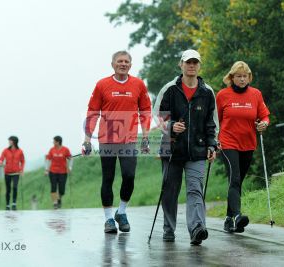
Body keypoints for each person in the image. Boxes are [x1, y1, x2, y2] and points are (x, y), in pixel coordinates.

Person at [153, 49, 218, 245]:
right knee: (170, 191)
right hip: (172, 149)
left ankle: (197, 228)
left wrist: (212, 145)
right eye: (188, 62)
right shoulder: (169, 89)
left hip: (197, 151)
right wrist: (172, 126)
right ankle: (168, 229)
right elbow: (159, 118)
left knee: (195, 190)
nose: (191, 66)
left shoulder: (207, 92)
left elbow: (211, 123)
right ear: (181, 64)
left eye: (195, 62)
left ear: (199, 66)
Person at [83, 50, 151, 234]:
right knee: (108, 177)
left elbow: (145, 111)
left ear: (130, 64)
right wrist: (87, 140)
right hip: (107, 139)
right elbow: (92, 112)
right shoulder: (102, 85)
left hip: (129, 139)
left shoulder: (138, 84)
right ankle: (108, 220)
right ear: (112, 64)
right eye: (119, 61)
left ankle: (121, 212)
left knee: (129, 176)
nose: (123, 64)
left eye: (126, 61)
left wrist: (145, 137)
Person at [216, 61, 270, 233]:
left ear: (249, 77)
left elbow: (265, 116)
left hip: (247, 143)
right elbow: (215, 120)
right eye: (238, 76)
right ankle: (238, 216)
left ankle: (228, 219)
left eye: (244, 76)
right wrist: (213, 140)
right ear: (232, 78)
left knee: (237, 182)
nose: (241, 79)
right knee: (235, 178)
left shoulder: (256, 94)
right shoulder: (223, 95)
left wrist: (263, 124)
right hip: (227, 142)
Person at [45, 136, 73, 209]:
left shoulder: (65, 150)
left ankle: (59, 199)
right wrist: (46, 169)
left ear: (58, 142)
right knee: (53, 187)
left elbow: (70, 158)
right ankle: (55, 203)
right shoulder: (52, 150)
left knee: (61, 189)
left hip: (63, 172)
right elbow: (48, 159)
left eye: (54, 141)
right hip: (53, 171)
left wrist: (70, 167)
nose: (53, 143)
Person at [0, 136, 25, 211]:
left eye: (10, 140)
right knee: (8, 189)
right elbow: (1, 158)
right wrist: (0, 162)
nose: (9, 142)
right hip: (7, 172)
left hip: (16, 172)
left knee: (15, 187)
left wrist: (22, 170)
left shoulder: (20, 151)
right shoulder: (5, 150)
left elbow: (22, 161)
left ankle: (14, 204)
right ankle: (7, 205)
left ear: (14, 141)